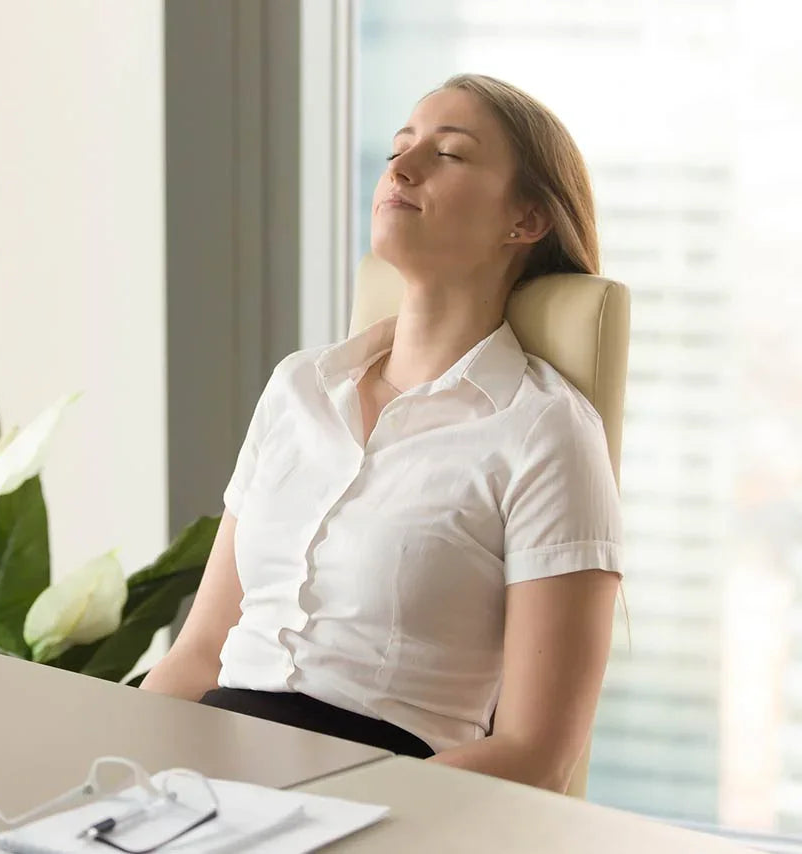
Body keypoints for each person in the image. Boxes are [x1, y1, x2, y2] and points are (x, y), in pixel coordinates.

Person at [140, 73, 622, 793]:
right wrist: (118, 784)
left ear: (525, 220)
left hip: (383, 800)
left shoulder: (545, 433)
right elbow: (200, 652)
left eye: (449, 154)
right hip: (207, 784)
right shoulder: (298, 387)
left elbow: (535, 754)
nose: (400, 168)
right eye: (400, 147)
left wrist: (313, 810)